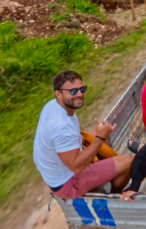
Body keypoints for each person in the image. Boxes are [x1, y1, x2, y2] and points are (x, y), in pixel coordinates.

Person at [33, 70, 132, 199]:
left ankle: (108, 172)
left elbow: (77, 129)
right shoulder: (61, 127)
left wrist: (97, 138)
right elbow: (76, 167)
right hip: (67, 184)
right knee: (128, 161)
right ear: (58, 94)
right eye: (73, 91)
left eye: (82, 89)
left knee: (100, 130)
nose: (79, 94)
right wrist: (99, 138)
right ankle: (114, 195)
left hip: (58, 169)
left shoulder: (53, 105)